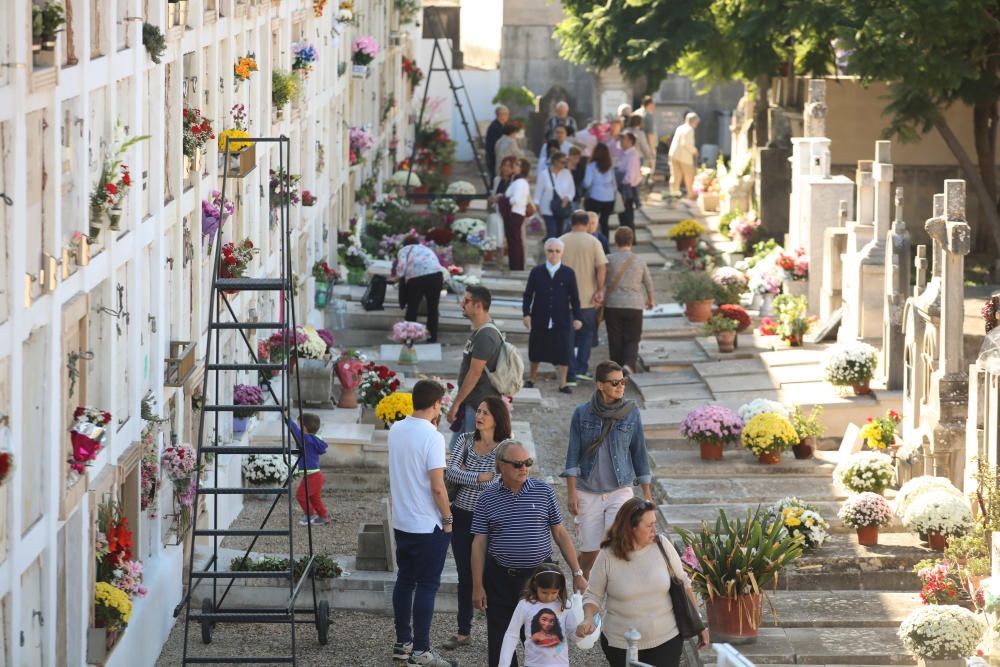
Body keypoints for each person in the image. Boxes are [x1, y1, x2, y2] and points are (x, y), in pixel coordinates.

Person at [471, 440, 588, 667]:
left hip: (539, 579)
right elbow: (478, 543)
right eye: (517, 464)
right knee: (500, 638)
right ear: (500, 465)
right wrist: (477, 585)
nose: (523, 468)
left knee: (541, 639)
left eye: (527, 462)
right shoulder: (486, 497)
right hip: (500, 578)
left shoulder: (543, 491)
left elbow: (561, 534)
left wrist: (577, 572)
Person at [576, 498, 710, 667]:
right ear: (631, 528)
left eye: (655, 523)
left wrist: (699, 625)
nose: (655, 529)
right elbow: (593, 595)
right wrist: (588, 618)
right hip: (621, 644)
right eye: (649, 525)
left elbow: (683, 583)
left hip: (667, 640)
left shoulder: (662, 545)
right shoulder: (607, 555)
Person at [388, 380, 458, 667]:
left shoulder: (395, 429)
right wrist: (448, 519)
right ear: (436, 404)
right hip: (428, 523)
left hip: (402, 520)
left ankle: (402, 643)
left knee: (404, 580)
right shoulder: (432, 436)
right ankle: (421, 652)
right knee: (428, 586)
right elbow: (438, 487)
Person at [562, 360, 652, 579]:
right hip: (587, 490)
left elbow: (639, 452)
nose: (621, 386)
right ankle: (582, 597)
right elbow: (572, 454)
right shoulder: (582, 413)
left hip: (619, 490)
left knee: (617, 545)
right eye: (615, 383)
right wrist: (571, 492)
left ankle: (615, 599)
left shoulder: (631, 412)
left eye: (623, 381)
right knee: (590, 553)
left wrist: (647, 496)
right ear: (600, 385)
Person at [441, 396, 511, 652]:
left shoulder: (506, 447)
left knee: (492, 574)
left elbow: (501, 481)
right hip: (462, 515)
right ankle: (463, 631)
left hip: (492, 519)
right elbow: (452, 472)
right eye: (478, 411)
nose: (479, 416)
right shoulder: (465, 439)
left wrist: (471, 474)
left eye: (485, 413)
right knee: (465, 575)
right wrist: (482, 475)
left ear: (497, 418)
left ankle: (497, 630)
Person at [522, 238, 582, 394]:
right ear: (545, 251)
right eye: (550, 250)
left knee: (564, 350)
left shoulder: (568, 273)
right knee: (535, 349)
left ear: (562, 252)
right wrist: (526, 314)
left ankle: (562, 383)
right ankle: (532, 378)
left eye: (557, 251)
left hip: (561, 318)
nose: (554, 254)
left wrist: (578, 317)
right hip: (539, 317)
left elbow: (575, 297)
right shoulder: (536, 272)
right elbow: (528, 295)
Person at [448, 285, 503, 442]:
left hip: (478, 406)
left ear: (478, 306)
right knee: (457, 452)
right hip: (472, 404)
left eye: (466, 300)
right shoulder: (480, 332)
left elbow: (474, 373)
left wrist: (455, 404)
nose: (462, 304)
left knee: (471, 457)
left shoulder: (486, 335)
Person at [499, 565, 582, 667]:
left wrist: (580, 633)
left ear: (560, 589)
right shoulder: (525, 605)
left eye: (554, 592)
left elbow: (573, 636)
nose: (549, 597)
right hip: (533, 664)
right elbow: (511, 635)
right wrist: (503, 664)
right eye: (544, 592)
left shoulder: (565, 605)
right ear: (535, 585)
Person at [559, 210, 607, 385]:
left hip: (565, 298)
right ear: (587, 224)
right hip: (588, 297)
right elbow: (602, 268)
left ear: (571, 223)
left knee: (568, 336)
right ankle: (581, 368)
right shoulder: (594, 242)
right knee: (587, 333)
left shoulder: (562, 241)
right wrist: (600, 290)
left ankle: (570, 373)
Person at [604, 227, 655, 373]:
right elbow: (648, 282)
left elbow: (602, 280)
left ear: (615, 241)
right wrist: (651, 300)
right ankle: (629, 364)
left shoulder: (609, 259)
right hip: (634, 304)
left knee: (615, 337)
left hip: (613, 303)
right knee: (633, 337)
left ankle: (616, 368)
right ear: (631, 241)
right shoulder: (639, 260)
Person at [392, 235, 446, 343]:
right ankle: (432, 337)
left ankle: (409, 337)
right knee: (433, 308)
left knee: (412, 307)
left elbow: (401, 268)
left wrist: (396, 279)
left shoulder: (404, 250)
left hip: (417, 278)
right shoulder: (426, 249)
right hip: (436, 275)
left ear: (404, 244)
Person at [289, 413, 329, 526]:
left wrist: (287, 418)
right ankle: (323, 516)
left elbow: (295, 431)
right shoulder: (315, 439)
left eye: (299, 425)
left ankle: (310, 514)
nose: (298, 428)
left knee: (300, 495)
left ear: (304, 428)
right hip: (316, 475)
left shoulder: (305, 439)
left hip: (312, 476)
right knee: (314, 498)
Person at [534, 151, 575, 240]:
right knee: (552, 232)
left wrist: (567, 198)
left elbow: (571, 190)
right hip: (547, 209)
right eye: (562, 162)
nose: (564, 164)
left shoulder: (567, 174)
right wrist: (537, 207)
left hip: (561, 209)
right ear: (555, 161)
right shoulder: (544, 174)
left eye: (565, 162)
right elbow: (538, 192)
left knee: (559, 233)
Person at [502, 159, 532, 270]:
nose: (514, 166)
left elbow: (516, 199)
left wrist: (503, 200)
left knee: (515, 241)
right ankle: (514, 264)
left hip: (515, 213)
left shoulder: (521, 182)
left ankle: (516, 265)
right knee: (513, 241)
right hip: (514, 213)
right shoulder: (516, 181)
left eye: (517, 165)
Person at [583, 142, 617, 238]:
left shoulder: (591, 166)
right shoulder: (610, 166)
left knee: (591, 222)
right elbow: (614, 184)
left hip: (595, 197)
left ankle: (592, 242)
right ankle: (605, 245)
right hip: (609, 198)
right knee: (604, 222)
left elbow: (587, 183)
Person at [667, 112, 700, 200]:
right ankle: (691, 195)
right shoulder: (689, 129)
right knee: (689, 176)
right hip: (684, 157)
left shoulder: (680, 128)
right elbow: (685, 143)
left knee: (675, 176)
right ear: (693, 121)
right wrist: (694, 151)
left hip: (673, 154)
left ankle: (673, 194)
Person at [616, 132, 642, 230]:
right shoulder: (625, 153)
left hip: (627, 187)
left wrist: (622, 183)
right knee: (622, 215)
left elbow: (630, 175)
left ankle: (629, 238)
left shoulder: (632, 154)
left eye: (624, 139)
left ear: (630, 141)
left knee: (627, 215)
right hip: (624, 185)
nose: (622, 141)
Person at [634, 96, 658, 172]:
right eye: (653, 104)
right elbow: (650, 134)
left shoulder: (636, 112)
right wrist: (652, 150)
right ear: (649, 104)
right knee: (646, 171)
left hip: (634, 146)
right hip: (645, 147)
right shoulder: (648, 115)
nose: (654, 106)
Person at [486, 105, 510, 181]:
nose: (507, 116)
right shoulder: (495, 127)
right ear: (500, 115)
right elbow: (496, 145)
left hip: (499, 157)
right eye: (506, 114)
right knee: (495, 178)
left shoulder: (502, 125)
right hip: (494, 157)